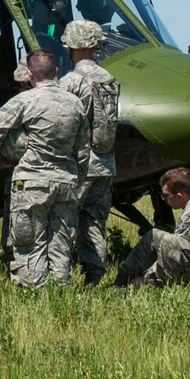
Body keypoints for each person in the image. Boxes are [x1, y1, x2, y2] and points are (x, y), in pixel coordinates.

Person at [0, 51, 87, 287]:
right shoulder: (75, 103)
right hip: (66, 182)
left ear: (29, 75)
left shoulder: (24, 101)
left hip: (31, 182)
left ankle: (34, 292)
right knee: (61, 241)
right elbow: (83, 148)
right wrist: (77, 179)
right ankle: (60, 289)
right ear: (57, 72)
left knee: (29, 241)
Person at [58, 19, 119, 286]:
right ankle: (94, 276)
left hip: (80, 163)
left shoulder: (71, 80)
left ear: (71, 46)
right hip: (105, 162)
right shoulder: (109, 79)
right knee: (95, 222)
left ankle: (61, 278)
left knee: (65, 220)